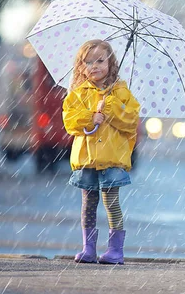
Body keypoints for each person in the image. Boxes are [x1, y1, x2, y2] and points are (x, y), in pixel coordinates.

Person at [62, 39, 140, 264]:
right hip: (86, 159)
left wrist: (112, 107)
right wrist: (90, 117)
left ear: (111, 62)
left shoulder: (121, 92)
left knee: (111, 202)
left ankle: (116, 250)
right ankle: (89, 249)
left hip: (112, 158)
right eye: (88, 62)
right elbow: (70, 121)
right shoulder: (78, 94)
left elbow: (131, 121)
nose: (94, 66)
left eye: (100, 60)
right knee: (88, 204)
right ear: (81, 66)